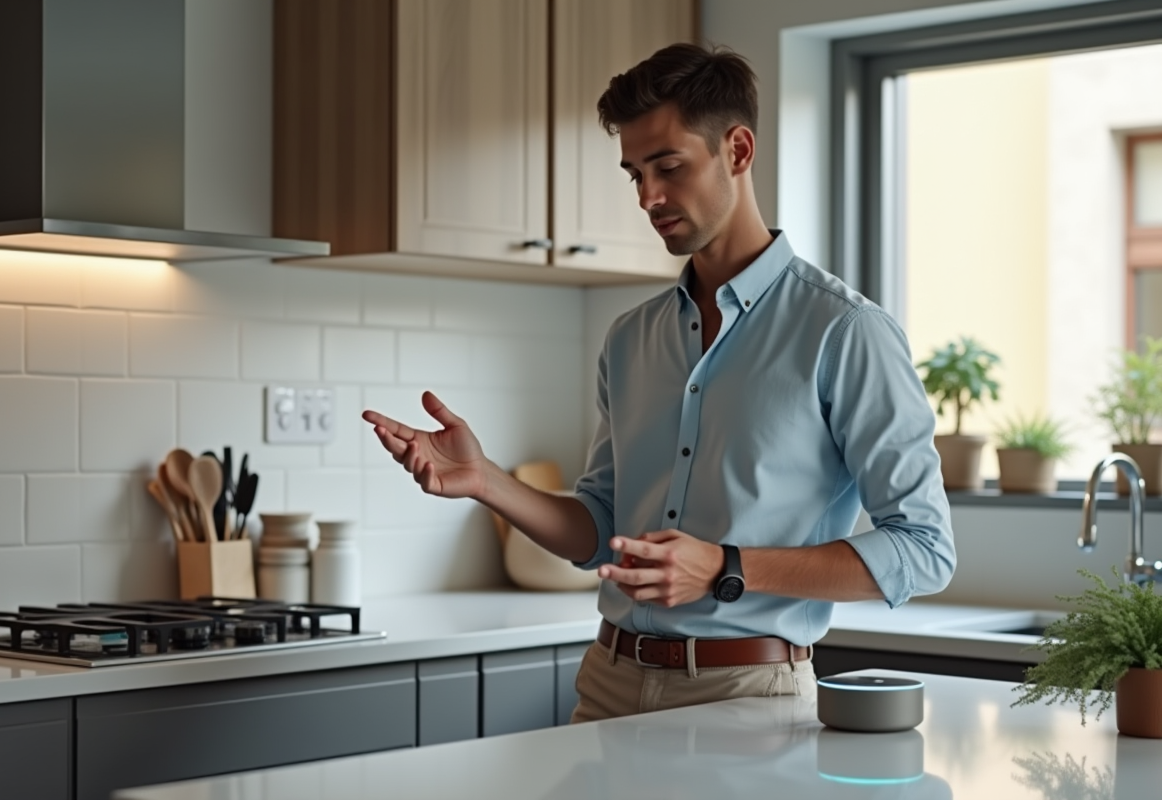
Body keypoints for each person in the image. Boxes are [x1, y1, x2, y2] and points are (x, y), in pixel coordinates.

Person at [362, 43, 955, 723]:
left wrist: (726, 566)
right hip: (607, 683)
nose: (648, 197)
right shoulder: (629, 339)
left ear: (737, 150)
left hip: (746, 699)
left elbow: (924, 549)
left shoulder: (844, 331)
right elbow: (602, 531)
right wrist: (487, 482)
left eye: (669, 167)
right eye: (635, 174)